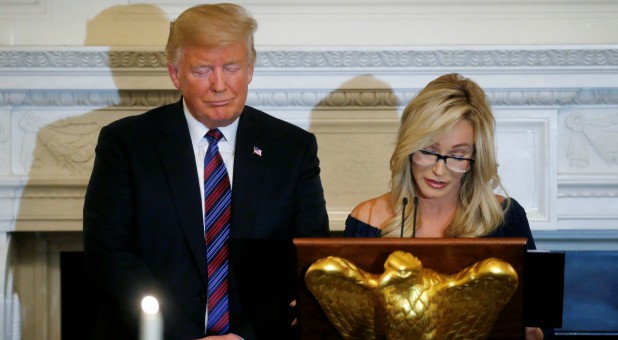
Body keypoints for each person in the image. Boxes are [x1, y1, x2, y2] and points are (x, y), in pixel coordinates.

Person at [83, 3, 329, 340]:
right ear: (175, 74)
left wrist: (246, 335)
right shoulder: (126, 145)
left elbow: (308, 256)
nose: (219, 84)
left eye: (231, 67)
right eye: (202, 70)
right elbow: (108, 256)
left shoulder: (292, 149)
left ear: (251, 69)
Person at [344, 73, 548, 339]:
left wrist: (534, 332)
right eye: (428, 151)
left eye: (457, 155)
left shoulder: (505, 218)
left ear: (475, 157)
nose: (439, 170)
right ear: (409, 147)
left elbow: (543, 324)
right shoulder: (366, 219)